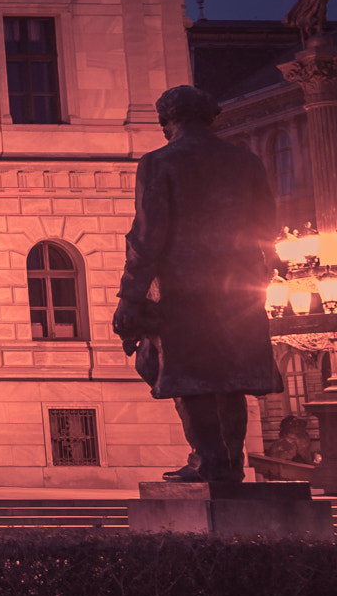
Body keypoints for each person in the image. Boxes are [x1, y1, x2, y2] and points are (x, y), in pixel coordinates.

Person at [113, 84, 283, 483]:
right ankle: (231, 462)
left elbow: (148, 233)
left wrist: (131, 294)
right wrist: (263, 269)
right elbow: (266, 223)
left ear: (165, 119)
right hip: (237, 287)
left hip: (183, 286)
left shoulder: (160, 161)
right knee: (231, 378)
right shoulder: (246, 161)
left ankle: (207, 458)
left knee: (189, 375)